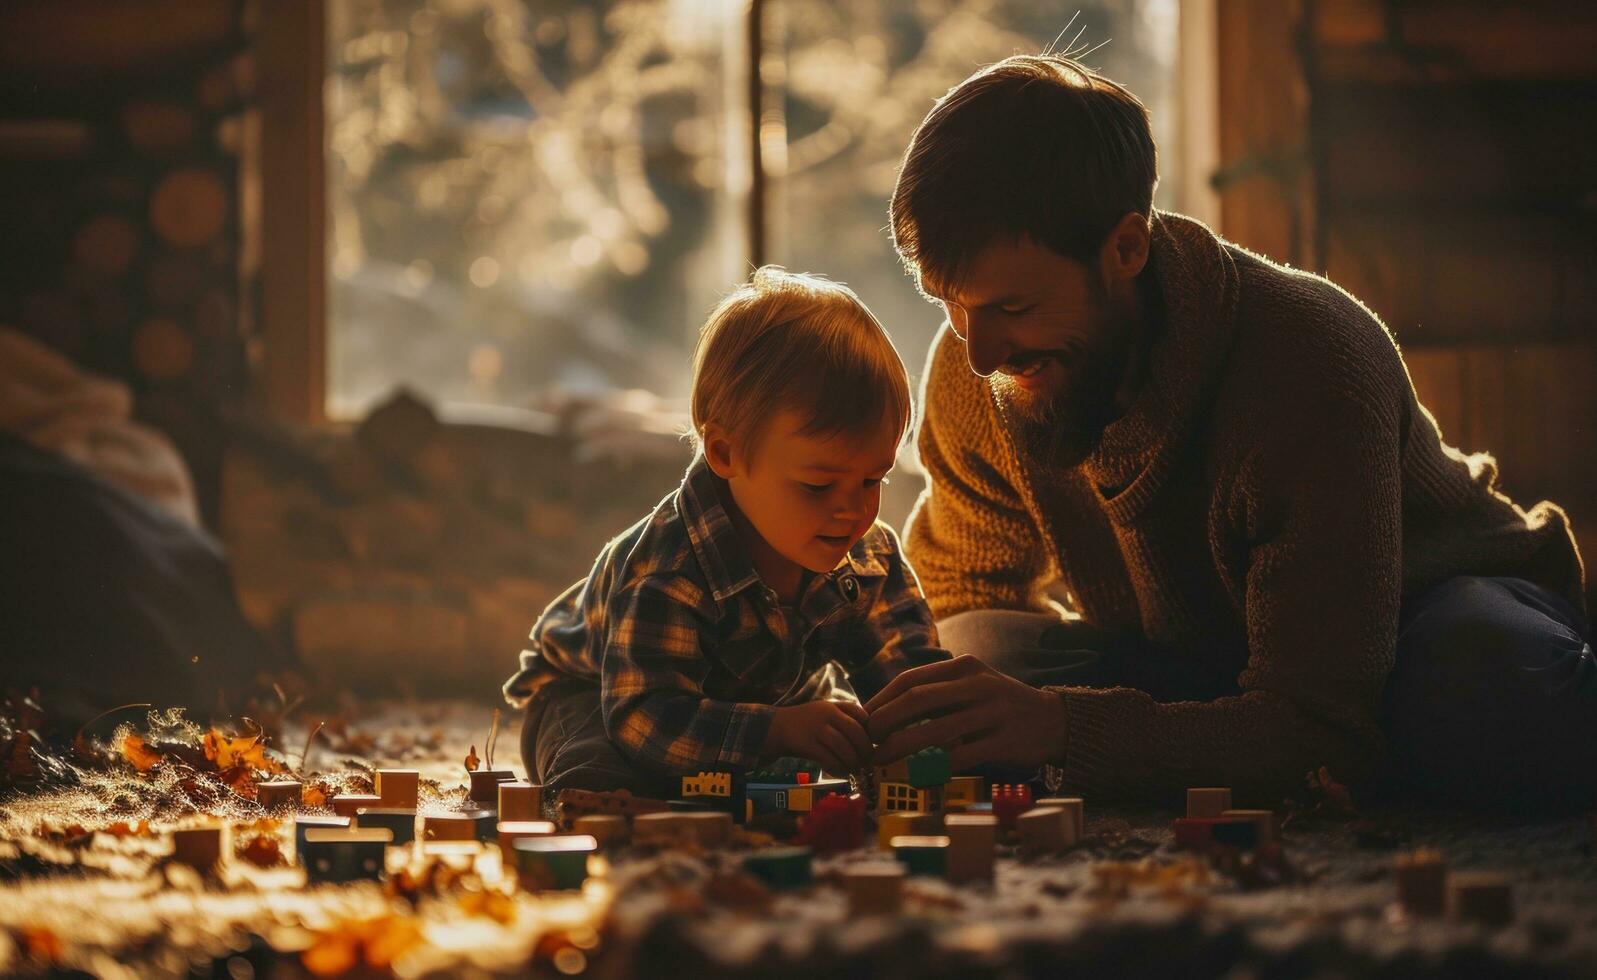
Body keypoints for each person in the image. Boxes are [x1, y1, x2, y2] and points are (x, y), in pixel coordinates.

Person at [865, 55, 1591, 811]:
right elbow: (960, 599)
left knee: (1490, 686)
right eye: (949, 301)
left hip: (1411, 632)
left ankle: (1318, 760)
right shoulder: (980, 364)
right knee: (969, 654)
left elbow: (1316, 716)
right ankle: (1267, 757)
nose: (978, 354)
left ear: (1124, 250)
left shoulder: (1310, 363)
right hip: (1200, 667)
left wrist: (1063, 731)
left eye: (1012, 308)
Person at [504, 267, 950, 796]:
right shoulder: (667, 568)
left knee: (827, 760)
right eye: (817, 486)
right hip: (602, 696)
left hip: (770, 708)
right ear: (725, 453)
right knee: (602, 767)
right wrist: (774, 731)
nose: (854, 510)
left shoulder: (868, 555)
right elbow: (645, 718)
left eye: (873, 479)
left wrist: (927, 737)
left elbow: (911, 682)